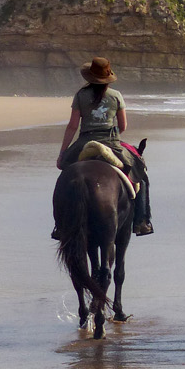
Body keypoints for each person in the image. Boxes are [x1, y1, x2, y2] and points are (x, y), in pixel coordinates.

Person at [53, 56, 153, 238]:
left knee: (65, 176)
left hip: (84, 143)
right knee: (140, 172)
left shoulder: (81, 96)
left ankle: (60, 225)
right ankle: (141, 221)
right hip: (111, 142)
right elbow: (123, 126)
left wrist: (62, 153)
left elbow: (73, 126)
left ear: (89, 77)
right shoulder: (116, 96)